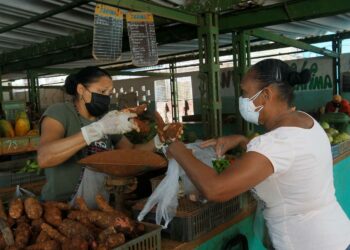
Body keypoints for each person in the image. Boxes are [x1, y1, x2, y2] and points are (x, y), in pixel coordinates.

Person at [167, 59, 350, 250]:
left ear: (266, 95)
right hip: (338, 236)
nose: (243, 99)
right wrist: (240, 140)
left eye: (245, 92)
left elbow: (215, 189)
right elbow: (281, 159)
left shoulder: (275, 143)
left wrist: (179, 149)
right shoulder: (306, 121)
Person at [38, 66, 166, 207]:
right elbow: (45, 157)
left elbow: (131, 152)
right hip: (60, 206)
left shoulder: (106, 119)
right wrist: (98, 129)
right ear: (81, 90)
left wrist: (159, 140)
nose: (106, 97)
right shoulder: (60, 112)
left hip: (99, 205)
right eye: (102, 91)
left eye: (109, 93)